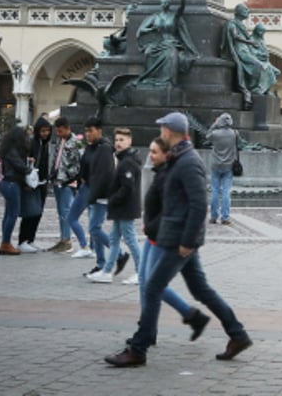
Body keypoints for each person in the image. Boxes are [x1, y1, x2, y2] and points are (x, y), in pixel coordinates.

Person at [104, 112, 252, 367]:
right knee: (200, 290)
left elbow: (198, 205)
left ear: (171, 132)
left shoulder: (188, 162)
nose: (160, 133)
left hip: (178, 240)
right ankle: (237, 334)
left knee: (152, 287)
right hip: (176, 236)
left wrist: (188, 241)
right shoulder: (177, 159)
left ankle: (139, 349)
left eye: (162, 129)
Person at [138, 136, 212, 337]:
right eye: (149, 151)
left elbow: (174, 209)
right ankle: (149, 328)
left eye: (154, 152)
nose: (150, 156)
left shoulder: (169, 175)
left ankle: (151, 329)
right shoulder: (162, 172)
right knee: (147, 283)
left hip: (162, 237)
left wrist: (152, 225)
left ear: (166, 154)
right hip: (154, 233)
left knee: (152, 285)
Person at [90, 128, 143, 283]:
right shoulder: (124, 159)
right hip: (122, 208)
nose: (118, 143)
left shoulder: (127, 162)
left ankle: (141, 272)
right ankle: (107, 271)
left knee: (130, 239)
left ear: (129, 141)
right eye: (117, 140)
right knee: (114, 239)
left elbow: (127, 187)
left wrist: (113, 200)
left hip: (125, 208)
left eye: (122, 140)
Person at [68, 118, 115, 275]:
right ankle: (100, 263)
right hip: (87, 188)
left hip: (96, 192)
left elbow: (105, 173)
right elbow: (85, 166)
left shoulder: (104, 148)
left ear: (99, 130)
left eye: (91, 130)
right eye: (86, 131)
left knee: (94, 228)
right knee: (94, 228)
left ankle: (118, 254)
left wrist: (97, 193)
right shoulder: (91, 147)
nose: (87, 134)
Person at [135, 0, 198, 88]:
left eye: (167, 2)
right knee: (148, 52)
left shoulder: (174, 16)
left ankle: (168, 81)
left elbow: (182, 8)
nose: (164, 4)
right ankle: (151, 78)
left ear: (170, 4)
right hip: (158, 42)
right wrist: (151, 29)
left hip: (171, 42)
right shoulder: (155, 16)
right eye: (163, 2)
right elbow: (142, 29)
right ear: (160, 3)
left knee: (171, 54)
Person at [46, 116, 85, 254]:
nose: (58, 133)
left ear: (68, 129)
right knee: (61, 211)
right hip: (57, 180)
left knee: (66, 211)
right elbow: (56, 158)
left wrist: (70, 177)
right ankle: (63, 239)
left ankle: (67, 240)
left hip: (68, 182)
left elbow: (81, 162)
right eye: (57, 131)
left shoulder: (77, 142)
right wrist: (52, 172)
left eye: (61, 131)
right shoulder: (59, 140)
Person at [16, 117, 51, 253]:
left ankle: (31, 239)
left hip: (41, 183)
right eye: (43, 131)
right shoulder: (31, 143)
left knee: (38, 213)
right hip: (31, 183)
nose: (45, 133)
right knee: (30, 212)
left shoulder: (45, 144)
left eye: (47, 130)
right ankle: (22, 240)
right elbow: (24, 162)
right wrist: (25, 182)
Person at [0, 126, 29, 255]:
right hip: (12, 183)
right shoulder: (12, 150)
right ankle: (5, 243)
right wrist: (30, 171)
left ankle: (5, 241)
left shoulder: (7, 149)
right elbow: (19, 166)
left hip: (7, 183)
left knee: (8, 214)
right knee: (13, 214)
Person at [206, 114, 238, 226]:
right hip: (228, 166)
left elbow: (207, 136)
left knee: (215, 191)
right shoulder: (234, 133)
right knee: (226, 192)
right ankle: (225, 217)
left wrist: (215, 124)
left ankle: (213, 217)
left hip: (215, 165)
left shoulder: (215, 134)